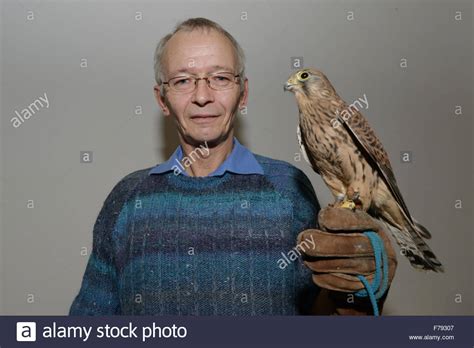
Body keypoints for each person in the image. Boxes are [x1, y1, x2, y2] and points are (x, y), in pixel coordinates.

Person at [69, 17, 397, 316]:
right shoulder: (128, 199)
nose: (202, 96)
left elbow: (319, 316)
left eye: (221, 77)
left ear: (243, 94)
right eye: (183, 80)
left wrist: (360, 293)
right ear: (161, 100)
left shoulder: (290, 189)